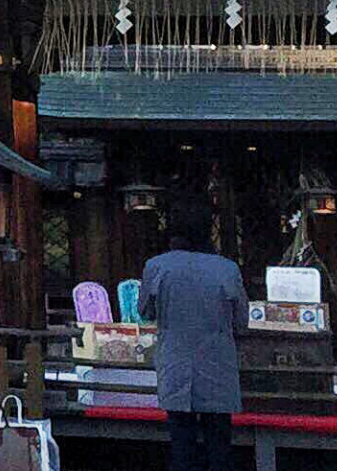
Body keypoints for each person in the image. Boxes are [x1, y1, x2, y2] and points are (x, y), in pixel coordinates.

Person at [142, 202, 246, 471]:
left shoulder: (156, 266)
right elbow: (241, 321)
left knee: (181, 442)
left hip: (175, 361)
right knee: (219, 443)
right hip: (217, 364)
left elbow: (145, 311)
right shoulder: (228, 269)